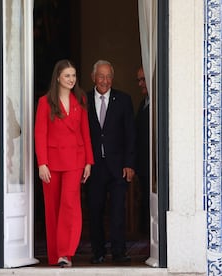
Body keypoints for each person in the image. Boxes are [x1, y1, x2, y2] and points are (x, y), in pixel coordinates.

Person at [34, 59, 94, 268]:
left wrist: (89, 161)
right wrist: (42, 163)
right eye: (67, 75)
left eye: (74, 75)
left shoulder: (81, 99)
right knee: (52, 208)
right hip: (51, 162)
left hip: (75, 161)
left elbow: (85, 132)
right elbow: (40, 134)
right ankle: (55, 255)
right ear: (58, 77)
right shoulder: (45, 102)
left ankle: (65, 252)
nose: (71, 79)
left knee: (70, 205)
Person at [85, 60, 136, 264]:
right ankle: (98, 252)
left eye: (108, 77)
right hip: (93, 166)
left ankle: (118, 251)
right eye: (101, 76)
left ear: (112, 78)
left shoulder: (123, 100)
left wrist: (129, 163)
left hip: (118, 167)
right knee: (95, 210)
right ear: (93, 77)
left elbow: (130, 134)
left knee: (117, 211)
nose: (105, 81)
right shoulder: (83, 100)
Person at [135, 66, 150, 234]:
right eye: (138, 80)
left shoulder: (155, 103)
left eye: (143, 79)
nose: (140, 84)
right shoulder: (143, 103)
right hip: (143, 163)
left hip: (152, 163)